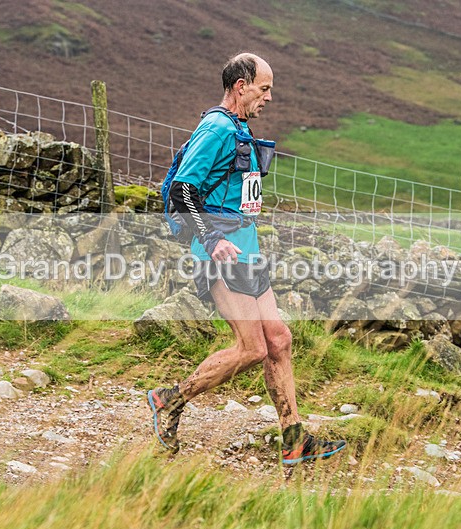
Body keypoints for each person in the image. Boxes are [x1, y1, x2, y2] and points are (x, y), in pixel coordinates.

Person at [147, 52, 346, 465]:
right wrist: (213, 238)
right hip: (220, 252)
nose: (269, 97)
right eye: (264, 88)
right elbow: (183, 191)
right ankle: (169, 400)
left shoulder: (238, 129)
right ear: (241, 86)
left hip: (247, 251)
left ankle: (294, 438)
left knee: (279, 340)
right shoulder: (217, 127)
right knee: (252, 347)